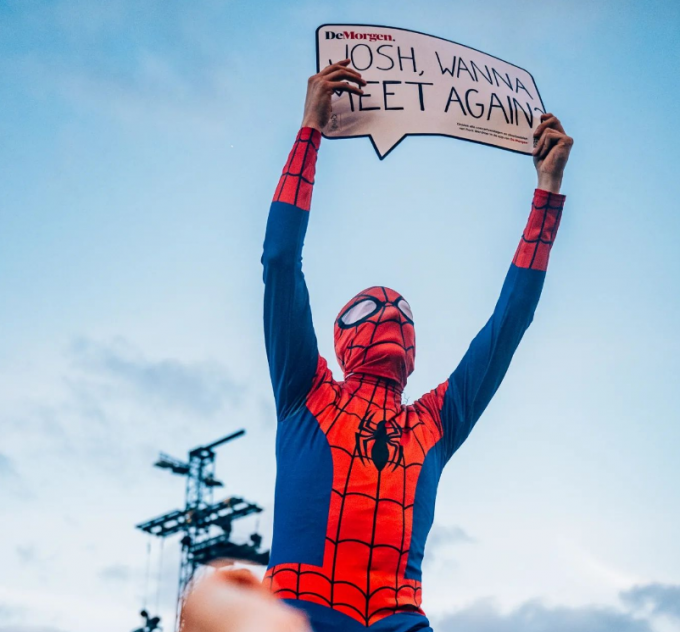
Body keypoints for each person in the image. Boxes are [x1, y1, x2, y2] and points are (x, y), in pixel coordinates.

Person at [261, 59, 573, 632]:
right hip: (294, 614)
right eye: (367, 310)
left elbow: (508, 325)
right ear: (339, 338)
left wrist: (547, 192)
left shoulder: (432, 420)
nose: (388, 315)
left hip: (396, 619)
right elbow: (280, 264)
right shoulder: (305, 389)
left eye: (402, 313)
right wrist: (308, 131)